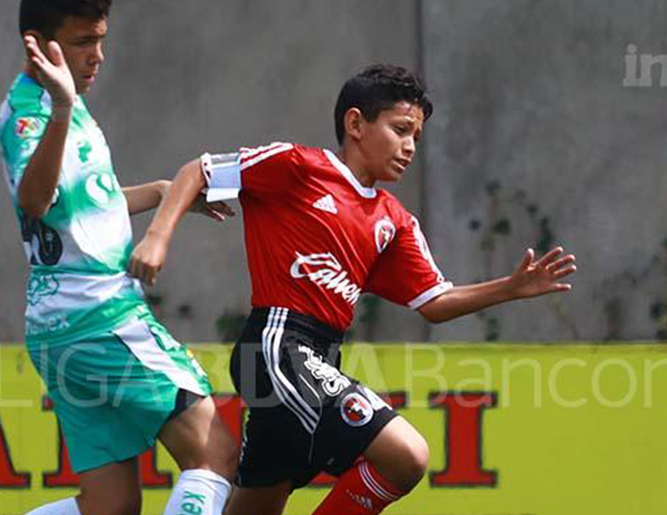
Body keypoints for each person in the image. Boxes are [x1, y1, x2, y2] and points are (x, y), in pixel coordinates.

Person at [128, 64, 577, 515]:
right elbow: (198, 172)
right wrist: (157, 237)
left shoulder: (394, 220)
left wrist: (512, 287)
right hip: (278, 346)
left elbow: (434, 302)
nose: (409, 147)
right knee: (407, 456)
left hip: (321, 357)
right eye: (401, 129)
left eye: (416, 138)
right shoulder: (299, 166)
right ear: (356, 123)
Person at [0, 0, 238, 515]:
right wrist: (60, 107)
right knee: (217, 455)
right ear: (37, 44)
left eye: (101, 39)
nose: (98, 55)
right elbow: (33, 200)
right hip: (99, 319)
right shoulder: (34, 113)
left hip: (62, 327)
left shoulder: (68, 103)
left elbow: (72, 207)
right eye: (84, 42)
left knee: (111, 508)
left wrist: (156, 192)